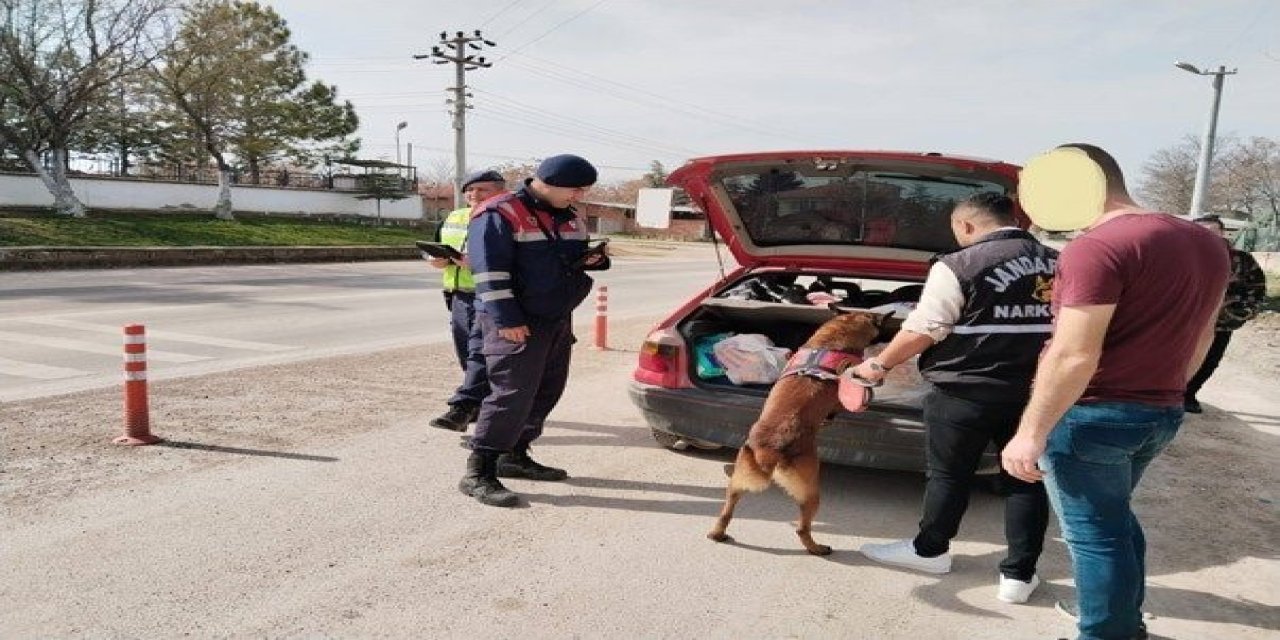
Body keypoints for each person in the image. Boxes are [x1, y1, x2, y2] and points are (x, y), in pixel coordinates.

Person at [1001, 144, 1230, 640]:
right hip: (1159, 410)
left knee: (1094, 536)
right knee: (1114, 523)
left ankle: (1106, 634)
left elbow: (1072, 353)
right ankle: (1125, 624)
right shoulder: (1206, 243)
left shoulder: (1096, 247)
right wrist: (1168, 389)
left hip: (1092, 415)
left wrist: (1029, 432)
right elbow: (1204, 335)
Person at [853, 192, 1055, 605]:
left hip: (964, 391)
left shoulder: (958, 264)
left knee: (949, 475)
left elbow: (926, 327)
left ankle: (930, 552)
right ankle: (1018, 577)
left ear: (965, 225)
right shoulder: (1060, 262)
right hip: (1037, 393)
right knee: (1026, 480)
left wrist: (878, 365)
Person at [458, 154, 610, 507]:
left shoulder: (568, 215)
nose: (579, 197)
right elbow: (489, 273)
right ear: (549, 183)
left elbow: (567, 259)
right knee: (511, 394)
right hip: (515, 321)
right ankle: (479, 471)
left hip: (555, 317)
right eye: (575, 190)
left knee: (545, 390)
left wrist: (595, 259)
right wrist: (507, 320)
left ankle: (516, 454)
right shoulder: (499, 212)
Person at [426, 170, 508, 432]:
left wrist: (480, 264)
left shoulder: (506, 216)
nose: (474, 195)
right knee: (466, 353)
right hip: (459, 295)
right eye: (469, 191)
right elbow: (438, 244)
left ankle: (464, 407)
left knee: (479, 352)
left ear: (500, 190)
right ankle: (481, 402)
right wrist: (434, 259)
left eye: (482, 190)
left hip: (491, 295)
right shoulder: (455, 216)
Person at [1183, 214, 1267, 413]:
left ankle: (1189, 394)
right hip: (1183, 321)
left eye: (1213, 232)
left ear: (1223, 234)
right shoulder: (1181, 256)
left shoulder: (1241, 260)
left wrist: (1236, 315)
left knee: (1210, 359)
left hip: (1221, 323)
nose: (1208, 237)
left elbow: (1256, 290)